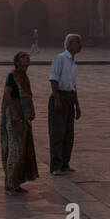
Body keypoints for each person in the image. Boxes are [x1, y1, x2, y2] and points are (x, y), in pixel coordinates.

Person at [0, 51, 39, 194]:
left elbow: (27, 98)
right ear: (16, 62)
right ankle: (9, 185)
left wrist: (29, 113)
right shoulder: (13, 75)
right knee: (15, 150)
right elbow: (7, 95)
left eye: (28, 56)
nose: (27, 58)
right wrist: (15, 114)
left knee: (22, 149)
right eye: (23, 56)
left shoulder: (24, 76)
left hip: (23, 116)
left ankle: (16, 183)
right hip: (14, 116)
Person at [48, 34, 82, 175]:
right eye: (77, 42)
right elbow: (54, 79)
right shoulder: (60, 58)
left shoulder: (73, 63)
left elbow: (72, 86)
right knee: (57, 133)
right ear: (69, 44)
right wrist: (56, 99)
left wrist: (77, 105)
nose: (80, 45)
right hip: (59, 96)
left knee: (69, 134)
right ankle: (56, 166)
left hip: (69, 98)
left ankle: (65, 163)